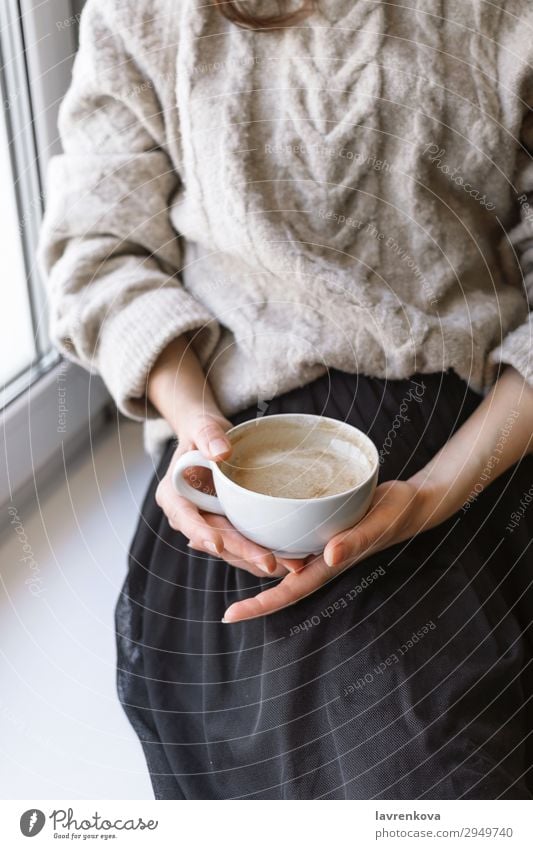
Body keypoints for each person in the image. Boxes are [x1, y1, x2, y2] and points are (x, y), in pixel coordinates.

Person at [39, 0, 533, 799]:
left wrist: (437, 492)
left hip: (474, 438)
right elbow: (100, 250)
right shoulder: (146, 15)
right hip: (233, 458)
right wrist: (196, 427)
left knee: (430, 763)